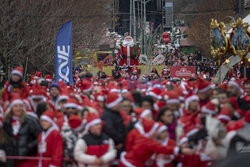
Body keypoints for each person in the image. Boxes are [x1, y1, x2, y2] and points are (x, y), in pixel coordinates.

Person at [3, 93, 42, 166]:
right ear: (11, 108)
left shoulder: (30, 121)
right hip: (11, 159)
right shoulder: (7, 123)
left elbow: (40, 136)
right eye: (16, 106)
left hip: (28, 159)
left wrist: (29, 146)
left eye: (20, 106)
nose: (18, 108)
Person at [102, 92, 126, 157]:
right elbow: (110, 129)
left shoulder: (115, 113)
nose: (121, 104)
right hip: (115, 146)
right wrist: (120, 141)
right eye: (119, 103)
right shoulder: (108, 115)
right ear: (114, 104)